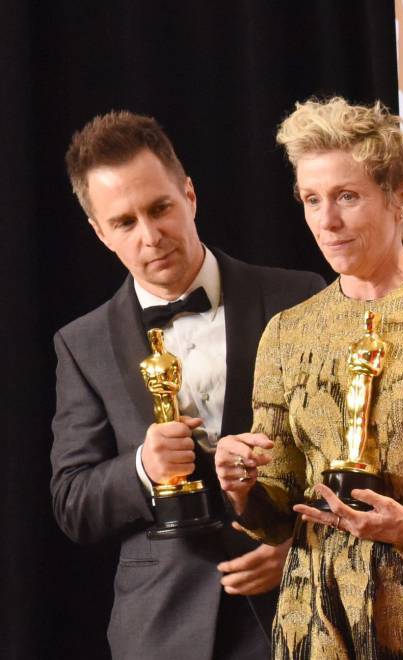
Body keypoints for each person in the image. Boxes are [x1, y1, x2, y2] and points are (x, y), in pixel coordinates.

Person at [50, 111, 325, 660]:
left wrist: (296, 547)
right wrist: (143, 470)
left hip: (301, 612)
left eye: (160, 208)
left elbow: (350, 455)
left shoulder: (298, 297)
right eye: (124, 223)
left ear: (190, 194)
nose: (151, 237)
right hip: (160, 630)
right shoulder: (82, 344)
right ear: (100, 233)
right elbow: (73, 502)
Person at [214, 97, 403, 659]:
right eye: (312, 200)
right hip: (317, 617)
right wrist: (241, 485)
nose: (327, 221)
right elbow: (280, 512)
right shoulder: (287, 333)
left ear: (402, 196)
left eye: (347, 197)